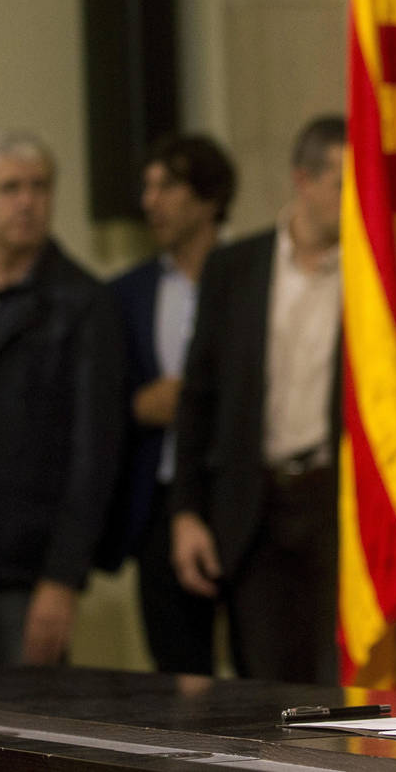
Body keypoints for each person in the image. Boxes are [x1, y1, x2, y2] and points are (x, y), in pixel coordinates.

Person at [170, 115, 344, 683]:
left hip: (335, 503)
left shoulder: (373, 276)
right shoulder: (234, 267)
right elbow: (198, 399)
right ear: (303, 180)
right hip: (253, 505)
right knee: (265, 684)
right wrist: (186, 513)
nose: (354, 200)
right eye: (342, 185)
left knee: (337, 678)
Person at [0, 130, 125, 666]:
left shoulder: (84, 302)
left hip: (27, 568)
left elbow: (95, 455)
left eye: (39, 187)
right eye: (10, 187)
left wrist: (63, 577)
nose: (26, 201)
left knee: (23, 712)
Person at [109, 135, 235, 674]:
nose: (150, 202)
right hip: (158, 500)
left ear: (209, 197)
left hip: (238, 492)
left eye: (167, 186)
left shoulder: (247, 275)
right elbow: (103, 401)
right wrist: (139, 405)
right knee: (178, 669)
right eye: (147, 187)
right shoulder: (126, 292)